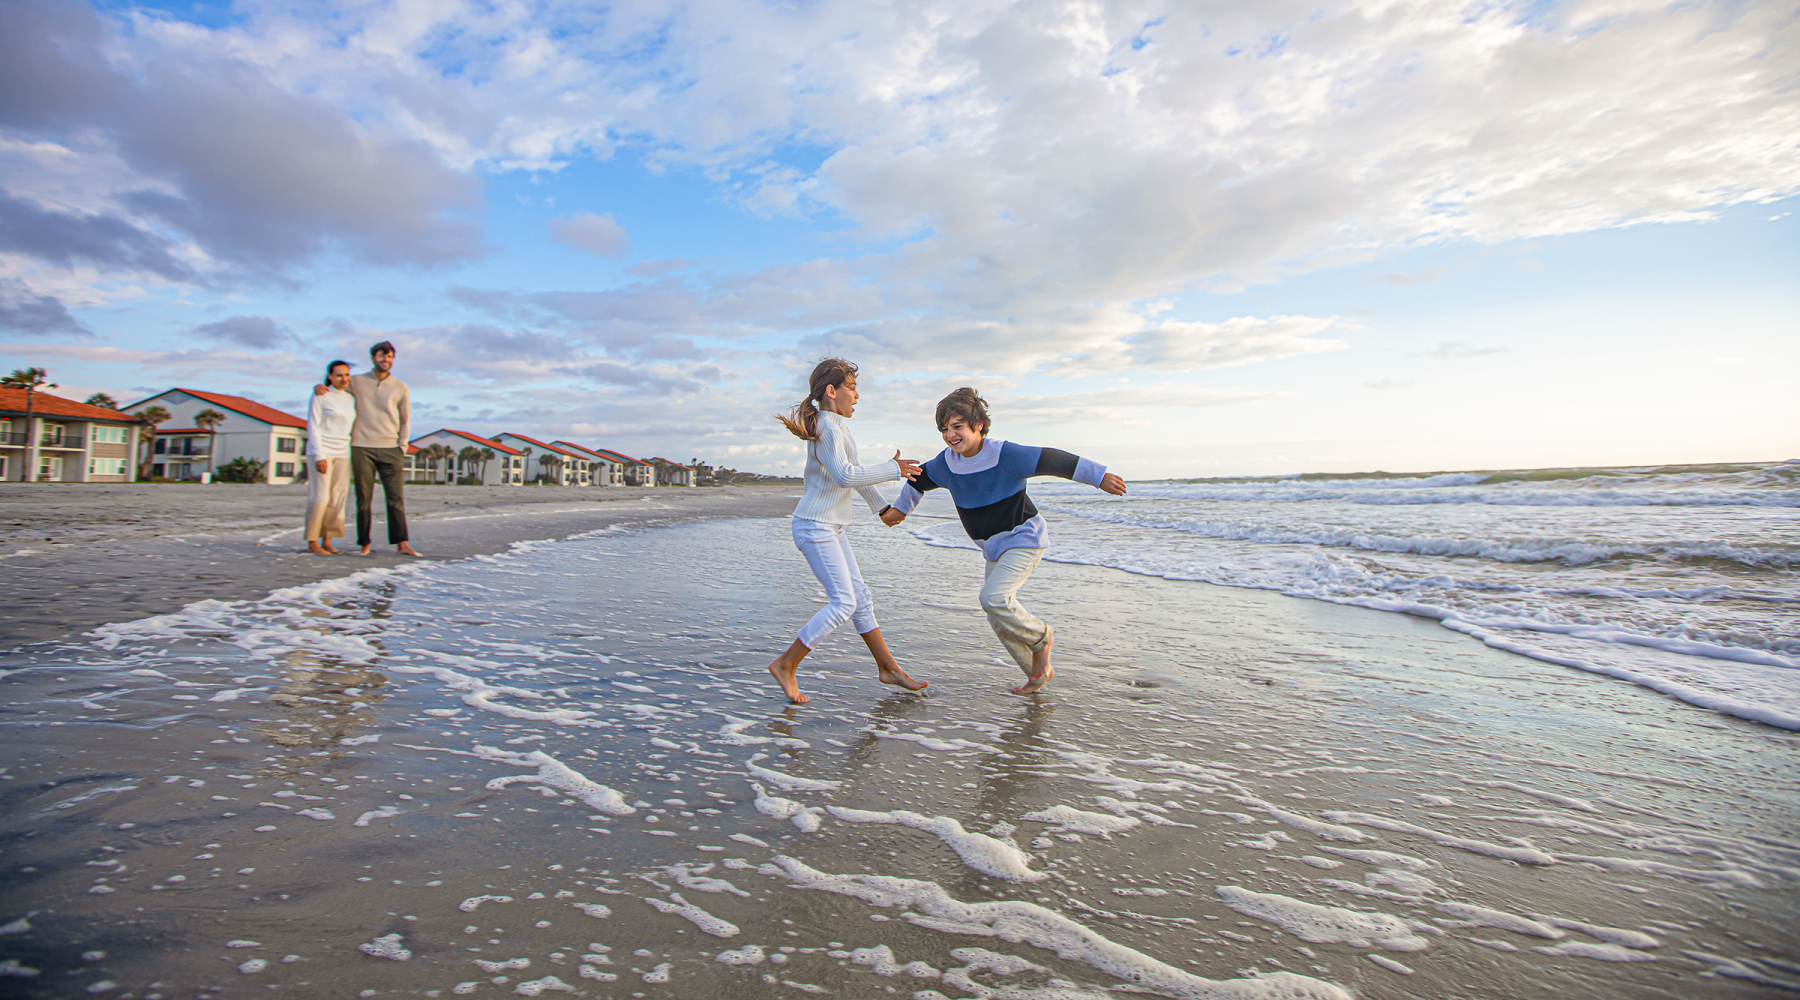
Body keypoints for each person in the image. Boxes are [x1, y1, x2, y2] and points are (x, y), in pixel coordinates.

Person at [883, 388, 1127, 694]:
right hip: (993, 548)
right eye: (944, 429)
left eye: (957, 426)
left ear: (978, 425)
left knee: (993, 599)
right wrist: (900, 510)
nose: (950, 435)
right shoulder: (946, 463)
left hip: (1024, 538)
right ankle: (1036, 672)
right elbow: (918, 479)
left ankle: (1042, 638)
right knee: (997, 617)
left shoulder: (1005, 455)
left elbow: (1053, 460)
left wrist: (1099, 476)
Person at [765, 358, 928, 704]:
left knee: (860, 598)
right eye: (852, 388)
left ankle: (888, 668)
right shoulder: (829, 429)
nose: (857, 396)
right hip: (814, 526)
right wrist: (893, 469)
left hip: (829, 526)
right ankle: (786, 664)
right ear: (831, 390)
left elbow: (853, 472)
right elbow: (845, 476)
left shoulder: (836, 427)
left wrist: (881, 508)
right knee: (843, 603)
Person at [315, 340, 418, 557]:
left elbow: (405, 418)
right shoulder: (357, 381)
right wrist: (320, 386)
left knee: (395, 499)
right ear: (373, 358)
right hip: (361, 447)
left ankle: (402, 544)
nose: (385, 360)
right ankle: (364, 544)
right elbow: (335, 388)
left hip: (391, 448)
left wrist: (402, 445)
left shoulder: (400, 387)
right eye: (381, 356)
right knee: (363, 499)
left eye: (389, 356)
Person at [304, 360, 356, 556]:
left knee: (337, 498)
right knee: (320, 497)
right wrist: (319, 455)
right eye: (339, 375)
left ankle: (327, 540)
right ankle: (312, 542)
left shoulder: (350, 398)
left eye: (347, 375)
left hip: (343, 452)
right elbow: (313, 425)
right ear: (330, 376)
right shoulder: (320, 395)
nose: (344, 379)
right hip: (322, 451)